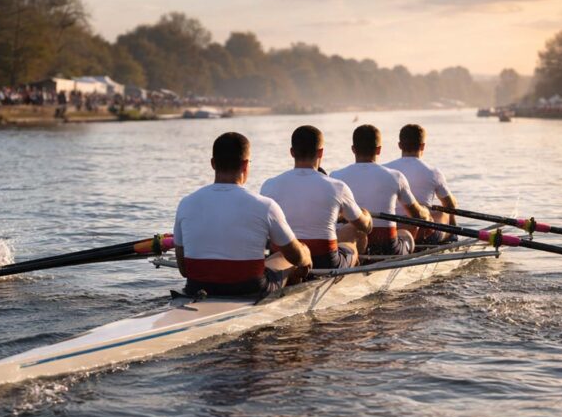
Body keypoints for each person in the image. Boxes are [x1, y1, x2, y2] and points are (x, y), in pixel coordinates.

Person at [173, 132, 311, 297]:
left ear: (213, 164)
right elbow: (295, 257)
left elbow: (183, 270)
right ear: (246, 165)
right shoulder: (265, 205)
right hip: (250, 291)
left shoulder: (186, 203)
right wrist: (306, 257)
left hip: (197, 289)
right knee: (290, 255)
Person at [261, 125, 372, 270]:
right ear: (320, 153)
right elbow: (366, 227)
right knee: (357, 232)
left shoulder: (269, 185)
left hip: (286, 260)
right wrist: (366, 215)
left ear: (292, 152)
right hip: (326, 260)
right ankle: (356, 269)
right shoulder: (338, 187)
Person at [332, 124, 431, 256]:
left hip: (351, 241)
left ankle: (354, 257)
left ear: (353, 149)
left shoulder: (335, 176)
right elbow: (416, 214)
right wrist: (427, 215)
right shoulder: (396, 176)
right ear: (379, 150)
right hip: (385, 246)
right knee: (406, 233)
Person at [385, 124, 459, 243]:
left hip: (390, 230)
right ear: (422, 146)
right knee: (446, 213)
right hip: (421, 233)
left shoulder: (385, 169)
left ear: (399, 145)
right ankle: (453, 240)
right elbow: (451, 205)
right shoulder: (433, 172)